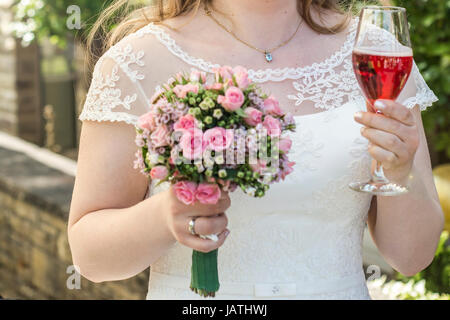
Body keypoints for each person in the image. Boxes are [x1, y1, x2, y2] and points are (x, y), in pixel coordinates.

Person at [68, 0, 444, 299]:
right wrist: (168, 214)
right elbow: (90, 256)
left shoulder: (378, 55)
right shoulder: (135, 62)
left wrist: (399, 171)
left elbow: (412, 257)